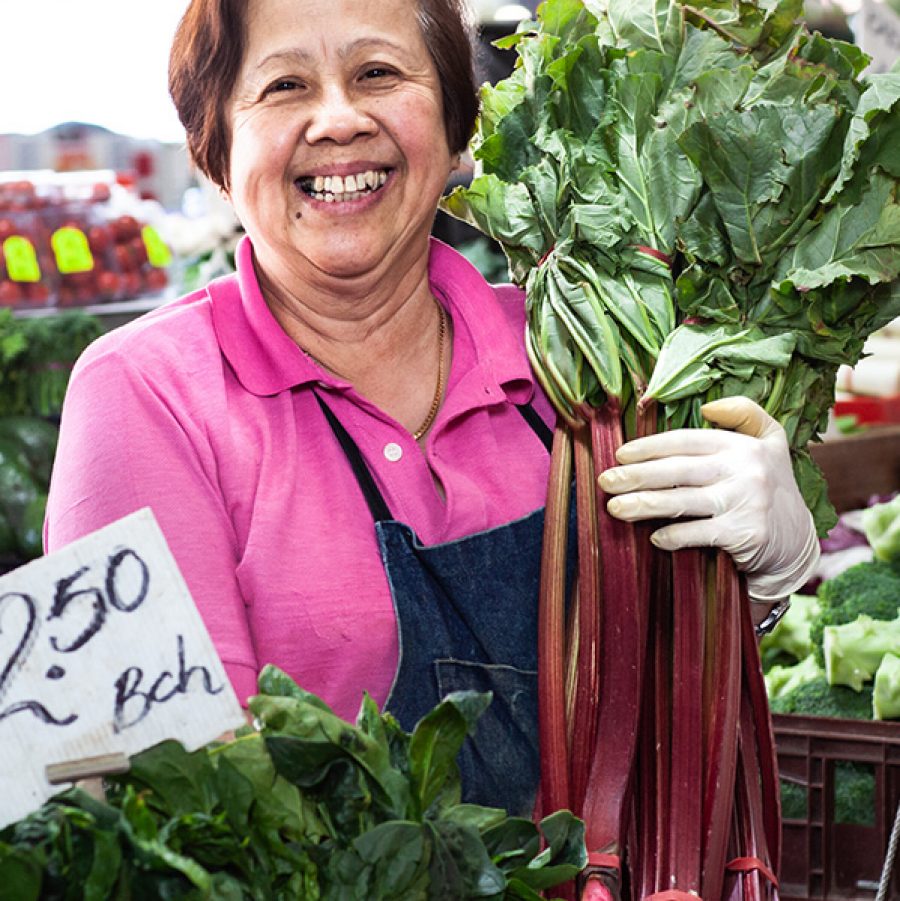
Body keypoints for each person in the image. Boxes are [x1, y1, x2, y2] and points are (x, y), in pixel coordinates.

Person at [45, 0, 819, 821]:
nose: (339, 120)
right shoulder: (144, 394)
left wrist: (758, 579)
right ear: (216, 153)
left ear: (456, 133)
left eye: (378, 73)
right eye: (284, 85)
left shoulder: (575, 353)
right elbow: (159, 787)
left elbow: (666, 682)